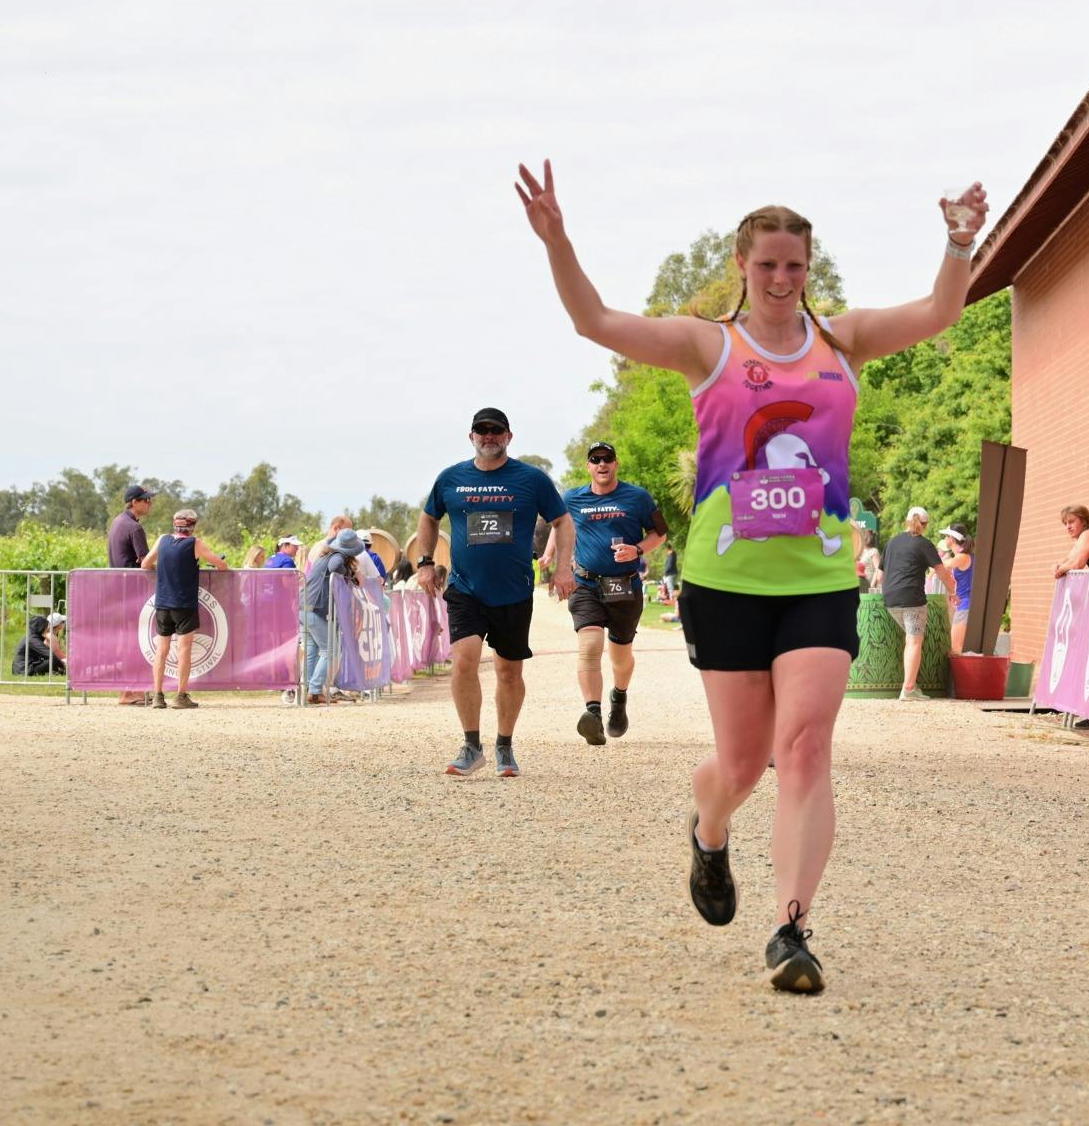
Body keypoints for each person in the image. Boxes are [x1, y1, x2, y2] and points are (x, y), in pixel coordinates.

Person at [518, 157, 988, 993]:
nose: (781, 278)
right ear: (743, 265)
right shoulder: (711, 346)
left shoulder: (844, 341)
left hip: (818, 579)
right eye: (767, 264)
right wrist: (558, 239)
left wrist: (959, 244)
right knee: (740, 767)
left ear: (810, 270)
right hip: (726, 583)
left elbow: (940, 309)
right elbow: (594, 320)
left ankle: (792, 928)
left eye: (795, 265)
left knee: (803, 749)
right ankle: (708, 830)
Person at [413, 407, 575, 778]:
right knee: (464, 659)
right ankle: (471, 745)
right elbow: (429, 516)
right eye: (481, 431)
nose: (489, 436)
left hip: (513, 591)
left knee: (508, 671)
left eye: (496, 431)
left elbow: (562, 521)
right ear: (471, 436)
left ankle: (504, 745)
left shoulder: (531, 479)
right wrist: (424, 561)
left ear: (508, 437)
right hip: (465, 588)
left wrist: (563, 567)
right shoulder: (451, 478)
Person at [542, 440, 668, 745]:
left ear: (616, 464)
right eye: (595, 459)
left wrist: (637, 549)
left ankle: (619, 697)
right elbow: (560, 527)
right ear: (588, 466)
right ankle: (593, 714)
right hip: (585, 583)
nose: (602, 464)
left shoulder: (637, 497)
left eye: (607, 459)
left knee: (620, 656)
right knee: (590, 645)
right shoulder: (572, 498)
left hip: (625, 585)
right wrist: (550, 557)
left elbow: (660, 533)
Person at [140, 509, 229, 708]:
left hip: (162, 602)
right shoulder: (194, 543)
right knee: (184, 650)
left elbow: (145, 564)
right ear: (192, 526)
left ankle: (157, 696)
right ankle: (180, 696)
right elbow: (221, 565)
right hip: (184, 604)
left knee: (161, 650)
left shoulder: (162, 540)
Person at [878, 508, 954, 699]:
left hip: (890, 600)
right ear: (925, 525)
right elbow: (942, 572)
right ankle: (909, 689)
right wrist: (953, 591)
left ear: (906, 521)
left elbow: (880, 576)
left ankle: (910, 685)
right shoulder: (924, 544)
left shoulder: (892, 542)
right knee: (914, 641)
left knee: (910, 640)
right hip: (911, 598)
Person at [302, 529, 365, 705]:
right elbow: (335, 567)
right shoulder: (337, 556)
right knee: (330, 649)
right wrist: (350, 574)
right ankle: (315, 691)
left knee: (311, 650)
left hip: (303, 605)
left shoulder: (324, 555)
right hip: (315, 606)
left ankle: (307, 689)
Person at [107, 483, 155, 704]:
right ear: (134, 502)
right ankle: (128, 692)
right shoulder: (134, 528)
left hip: (118, 590)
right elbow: (145, 561)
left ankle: (128, 689)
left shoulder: (118, 522)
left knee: (125, 640)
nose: (150, 503)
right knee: (133, 642)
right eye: (146, 500)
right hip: (132, 592)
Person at [940, 524, 975, 653]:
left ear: (952, 539)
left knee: (956, 648)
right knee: (960, 648)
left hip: (965, 606)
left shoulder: (962, 557)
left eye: (946, 536)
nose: (944, 538)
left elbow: (942, 565)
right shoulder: (964, 556)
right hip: (965, 606)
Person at [857, 528, 881, 593]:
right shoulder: (863, 552)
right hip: (862, 585)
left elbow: (878, 569)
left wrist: (872, 585)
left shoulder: (874, 551)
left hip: (870, 586)